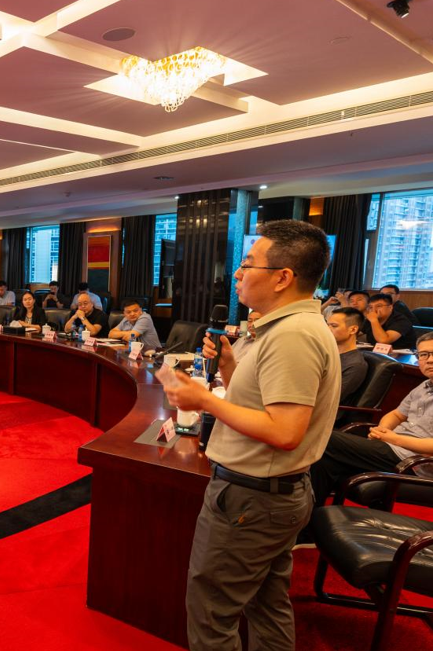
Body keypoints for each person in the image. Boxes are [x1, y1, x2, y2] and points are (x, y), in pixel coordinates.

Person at [161, 220, 339, 651]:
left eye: (248, 263)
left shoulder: (293, 335)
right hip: (271, 494)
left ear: (282, 277)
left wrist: (204, 401)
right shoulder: (285, 327)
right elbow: (263, 405)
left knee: (211, 614)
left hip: (252, 500)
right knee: (266, 603)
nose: (238, 273)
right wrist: (227, 367)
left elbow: (285, 431)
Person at [310, 331, 433, 508]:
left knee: (324, 437)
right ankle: (309, 516)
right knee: (326, 462)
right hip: (392, 446)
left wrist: (393, 438)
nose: (429, 360)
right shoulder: (424, 386)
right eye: (423, 354)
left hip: (414, 462)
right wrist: (383, 430)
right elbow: (397, 415)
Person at [327, 307, 368, 402]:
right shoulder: (328, 353)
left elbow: (331, 398)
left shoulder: (355, 364)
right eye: (327, 325)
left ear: (353, 330)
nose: (327, 329)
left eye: (334, 326)